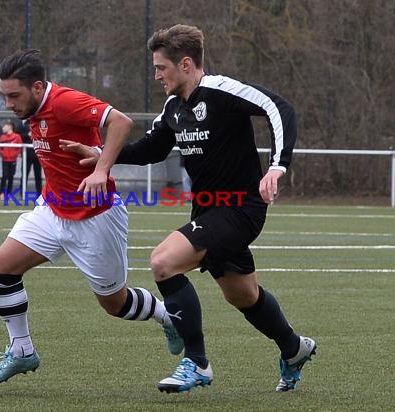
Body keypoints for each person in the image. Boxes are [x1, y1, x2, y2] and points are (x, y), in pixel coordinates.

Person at [61, 24, 316, 394]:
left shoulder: (221, 91)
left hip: (240, 208)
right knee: (242, 294)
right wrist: (104, 155)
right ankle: (294, 349)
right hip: (209, 212)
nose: (156, 75)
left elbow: (279, 109)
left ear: (184, 64)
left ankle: (197, 363)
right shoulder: (174, 108)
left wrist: (278, 165)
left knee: (163, 261)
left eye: (161, 67)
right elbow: (151, 149)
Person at [0, 49, 182, 385]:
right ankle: (22, 352)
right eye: (4, 96)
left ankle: (169, 318)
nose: (9, 104)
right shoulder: (31, 108)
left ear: (37, 87)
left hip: (97, 216)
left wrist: (101, 169)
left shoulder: (64, 101)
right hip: (52, 209)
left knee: (115, 304)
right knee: (1, 268)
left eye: (14, 95)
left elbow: (120, 122)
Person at [0, 120, 23, 200]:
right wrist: (3, 154)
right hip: (5, 160)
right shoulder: (2, 137)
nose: (3, 128)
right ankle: (1, 193)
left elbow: (20, 148)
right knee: (4, 176)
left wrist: (14, 155)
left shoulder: (17, 137)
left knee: (11, 177)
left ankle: (9, 193)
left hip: (13, 160)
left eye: (4, 126)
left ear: (9, 127)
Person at [18, 120, 43, 193]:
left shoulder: (38, 123)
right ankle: (22, 192)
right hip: (27, 155)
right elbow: (18, 135)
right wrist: (27, 134)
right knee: (24, 174)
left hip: (37, 154)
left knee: (38, 175)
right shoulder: (22, 124)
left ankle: (40, 193)